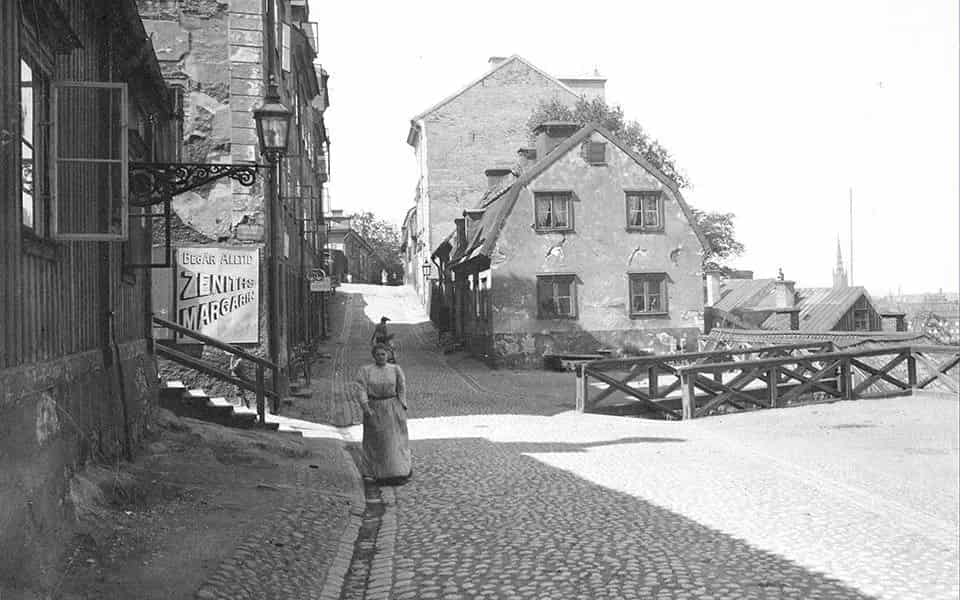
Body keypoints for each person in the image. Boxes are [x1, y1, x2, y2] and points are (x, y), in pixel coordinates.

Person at [355, 344, 411, 485]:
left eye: (384, 354)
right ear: (374, 356)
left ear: (388, 355)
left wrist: (402, 405)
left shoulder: (395, 369)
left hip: (392, 407)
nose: (381, 357)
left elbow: (401, 387)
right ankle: (374, 472)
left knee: (394, 441)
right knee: (376, 442)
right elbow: (360, 389)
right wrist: (366, 407)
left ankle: (398, 472)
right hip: (374, 407)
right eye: (378, 354)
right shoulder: (366, 371)